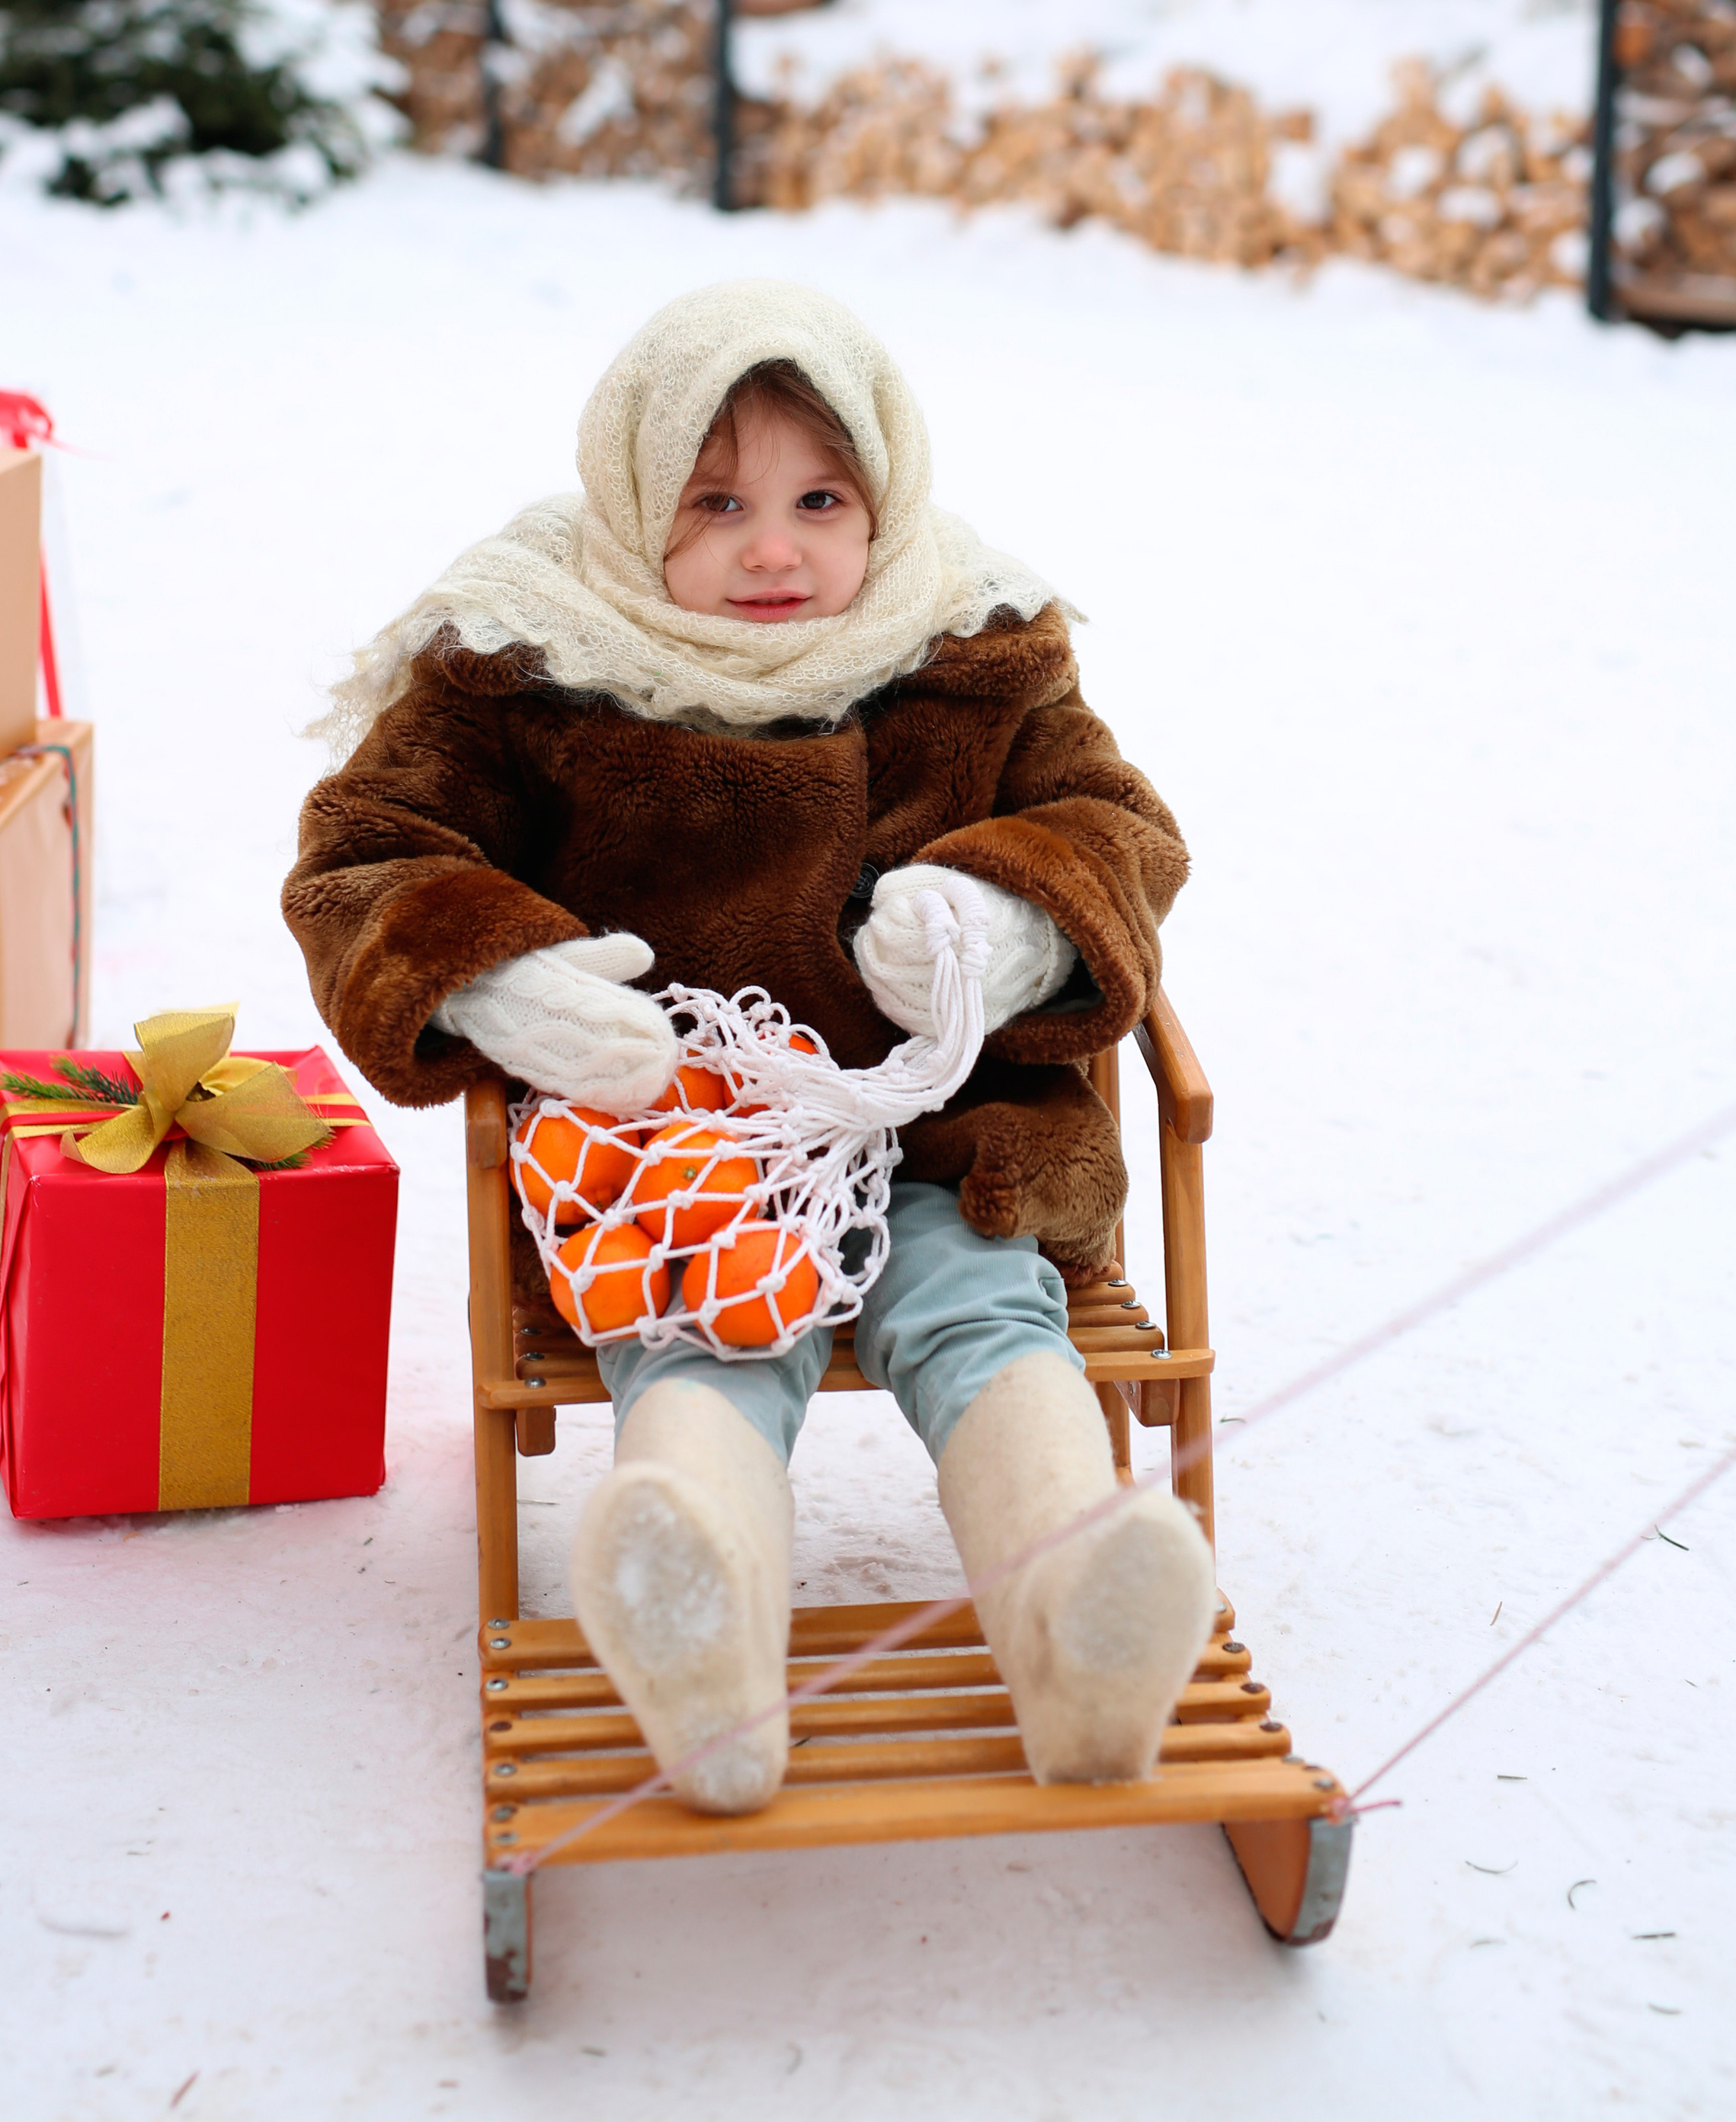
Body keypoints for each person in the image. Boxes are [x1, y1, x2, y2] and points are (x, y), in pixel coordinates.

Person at [284, 280, 1216, 1812]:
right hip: (679, 1147)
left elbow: (1115, 831)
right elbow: (367, 851)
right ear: (634, 497)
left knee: (983, 1312)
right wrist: (496, 976)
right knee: (707, 1329)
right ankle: (698, 1631)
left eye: (816, 498)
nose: (770, 548)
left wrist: (1005, 916)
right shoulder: (526, 655)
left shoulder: (973, 639)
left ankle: (1077, 1627)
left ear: (884, 495)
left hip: (937, 1128)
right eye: (712, 502)